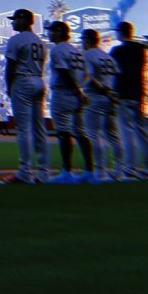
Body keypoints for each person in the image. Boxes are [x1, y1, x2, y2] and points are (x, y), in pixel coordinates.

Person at [3, 9, 49, 184]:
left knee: (24, 129)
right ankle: (44, 172)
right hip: (39, 80)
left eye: (15, 19)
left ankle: (25, 172)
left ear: (23, 21)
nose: (13, 22)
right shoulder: (40, 41)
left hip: (23, 81)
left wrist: (9, 87)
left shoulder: (16, 39)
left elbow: (11, 66)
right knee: (40, 129)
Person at [46, 20, 95, 184]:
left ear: (59, 32)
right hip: (77, 94)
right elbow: (87, 74)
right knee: (81, 133)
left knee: (63, 132)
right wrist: (80, 90)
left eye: (52, 31)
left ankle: (67, 171)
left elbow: (64, 72)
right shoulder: (78, 51)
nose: (49, 33)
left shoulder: (58, 49)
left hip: (63, 93)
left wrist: (77, 90)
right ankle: (90, 171)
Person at [111, 22, 148, 178]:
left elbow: (114, 72)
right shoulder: (140, 49)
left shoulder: (117, 50)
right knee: (142, 132)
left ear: (121, 32)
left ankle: (131, 166)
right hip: (138, 92)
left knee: (126, 131)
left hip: (123, 93)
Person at [81, 29, 123, 180]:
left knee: (94, 134)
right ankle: (119, 169)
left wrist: (104, 91)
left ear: (87, 40)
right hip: (111, 97)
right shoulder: (107, 56)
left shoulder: (88, 55)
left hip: (96, 96)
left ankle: (100, 170)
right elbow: (118, 76)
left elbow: (91, 78)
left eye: (83, 39)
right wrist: (112, 93)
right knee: (113, 135)